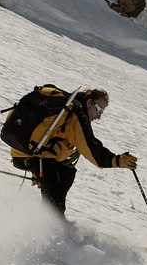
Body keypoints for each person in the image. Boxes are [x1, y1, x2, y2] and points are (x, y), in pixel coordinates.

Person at [9, 87, 137, 216]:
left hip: (23, 152)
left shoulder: (66, 106)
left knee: (67, 171)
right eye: (99, 110)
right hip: (36, 157)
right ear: (89, 103)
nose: (98, 116)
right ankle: (52, 225)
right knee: (54, 194)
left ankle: (54, 219)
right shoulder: (75, 114)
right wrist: (116, 160)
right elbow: (89, 146)